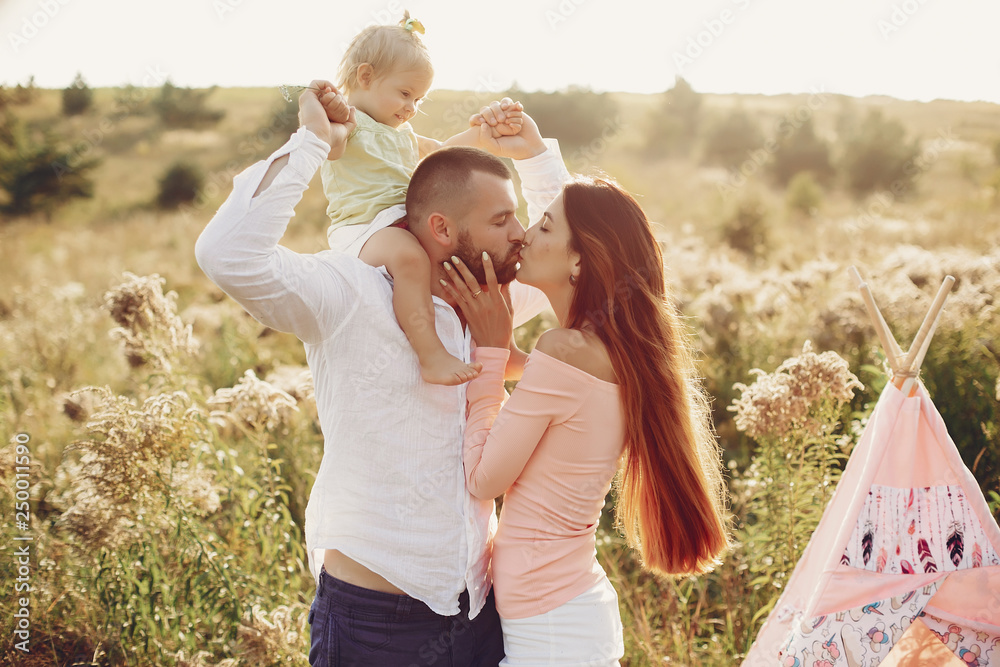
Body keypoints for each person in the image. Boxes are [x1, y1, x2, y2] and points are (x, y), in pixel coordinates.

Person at [195, 80, 569, 665]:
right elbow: (227, 254)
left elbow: (574, 260)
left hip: (480, 608)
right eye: (502, 219)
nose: (519, 233)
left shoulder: (485, 296)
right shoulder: (350, 290)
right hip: (375, 622)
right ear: (443, 229)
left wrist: (538, 157)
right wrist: (313, 143)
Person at [441, 176, 732, 665]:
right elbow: (550, 385)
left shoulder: (568, 351)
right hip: (564, 615)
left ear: (579, 259)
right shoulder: (602, 351)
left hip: (552, 628)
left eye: (546, 226)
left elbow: (483, 478)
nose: (525, 235)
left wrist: (490, 355)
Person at [317, 11, 524, 386]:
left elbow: (441, 154)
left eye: (419, 99)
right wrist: (322, 117)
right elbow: (329, 149)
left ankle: (499, 346)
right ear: (365, 77)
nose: (411, 107)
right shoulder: (348, 121)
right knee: (411, 259)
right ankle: (430, 354)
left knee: (473, 259)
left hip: (399, 222)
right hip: (364, 228)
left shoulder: (403, 133)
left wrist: (480, 135)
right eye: (405, 93)